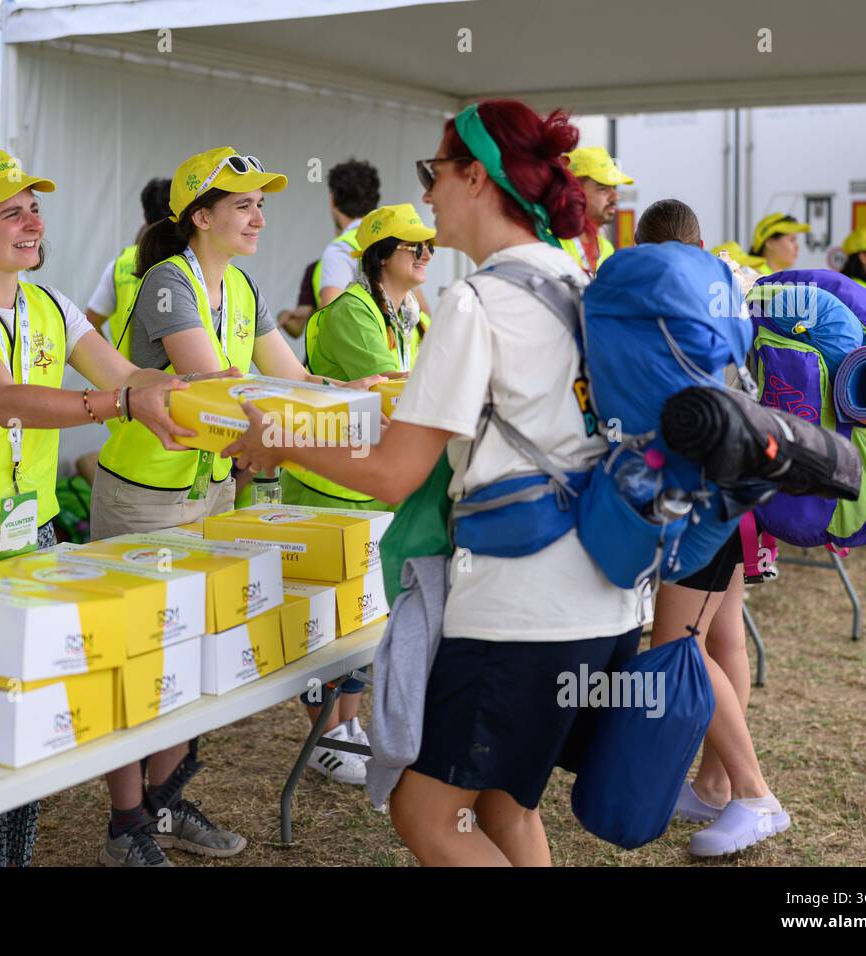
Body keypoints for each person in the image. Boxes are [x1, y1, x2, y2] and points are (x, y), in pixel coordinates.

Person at [228, 100, 646, 866]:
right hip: (607, 595)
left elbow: (393, 474)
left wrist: (276, 443)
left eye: (435, 174)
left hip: (518, 613)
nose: (427, 195)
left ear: (478, 179)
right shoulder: (575, 279)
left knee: (423, 811)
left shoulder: (474, 302)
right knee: (501, 806)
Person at [0, 146, 200, 867]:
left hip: (33, 546)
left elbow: (130, 372)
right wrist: (120, 404)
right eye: (11, 211)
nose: (31, 222)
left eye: (35, 207)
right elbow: (4, 399)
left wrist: (201, 391)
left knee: (17, 734)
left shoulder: (50, 306)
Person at [94, 145, 383, 867]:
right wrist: (297, 414)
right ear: (201, 217)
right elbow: (218, 389)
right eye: (243, 205)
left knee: (186, 651)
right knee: (139, 657)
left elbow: (293, 377)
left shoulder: (244, 289)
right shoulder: (168, 281)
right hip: (145, 497)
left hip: (209, 492)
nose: (258, 217)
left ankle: (165, 804)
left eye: (261, 204)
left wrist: (358, 389)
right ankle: (125, 824)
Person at [635, 198, 789, 857]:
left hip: (699, 492)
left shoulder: (665, 293)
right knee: (723, 637)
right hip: (744, 483)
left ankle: (755, 795)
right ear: (700, 239)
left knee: (678, 647)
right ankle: (714, 784)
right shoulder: (738, 283)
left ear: (646, 249)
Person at [283, 202, 434, 785]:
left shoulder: (403, 309)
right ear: (380, 257)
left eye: (428, 247)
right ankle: (326, 732)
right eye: (414, 247)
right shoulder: (352, 310)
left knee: (364, 620)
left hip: (370, 487)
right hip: (331, 486)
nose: (425, 255)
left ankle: (345, 726)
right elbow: (402, 390)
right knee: (330, 620)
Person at [84, 177, 172, 341]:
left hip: (129, 366)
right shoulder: (194, 262)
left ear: (145, 217)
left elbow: (89, 323)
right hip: (189, 367)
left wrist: (113, 363)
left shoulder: (119, 266)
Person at [313, 159, 381, 308]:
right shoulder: (390, 240)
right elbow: (424, 311)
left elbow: (332, 318)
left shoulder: (341, 250)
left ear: (333, 199)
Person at [559, 146, 633, 276]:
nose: (615, 196)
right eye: (603, 188)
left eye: (614, 187)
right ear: (574, 191)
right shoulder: (548, 240)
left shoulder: (606, 248)